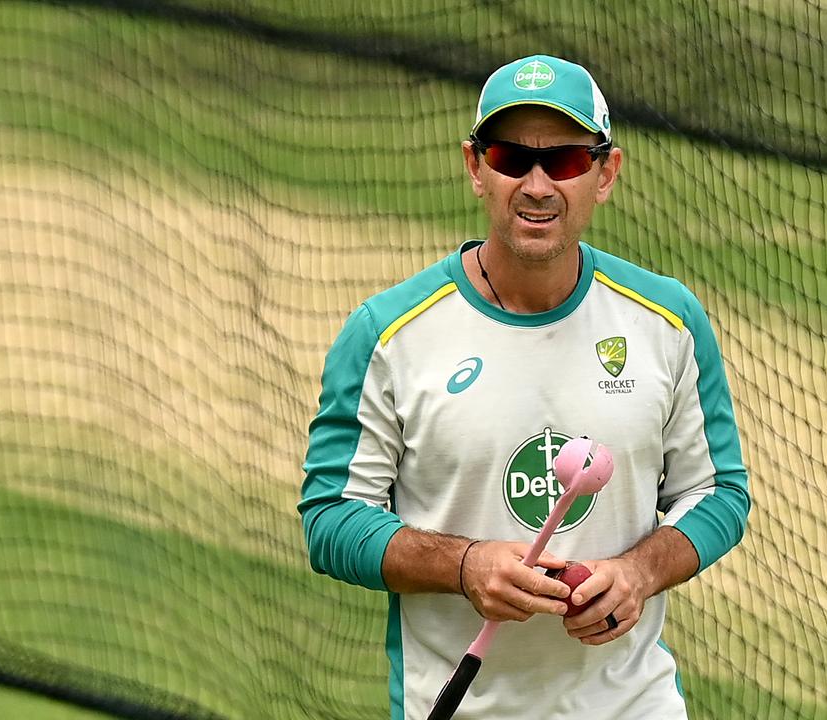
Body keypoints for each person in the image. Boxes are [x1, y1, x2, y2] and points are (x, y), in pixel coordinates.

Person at [299, 54, 750, 719]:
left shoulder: (668, 322)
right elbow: (332, 517)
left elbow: (719, 494)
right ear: (475, 167)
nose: (537, 185)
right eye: (511, 158)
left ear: (606, 174)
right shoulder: (387, 335)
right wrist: (466, 567)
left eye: (565, 161)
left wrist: (638, 573)